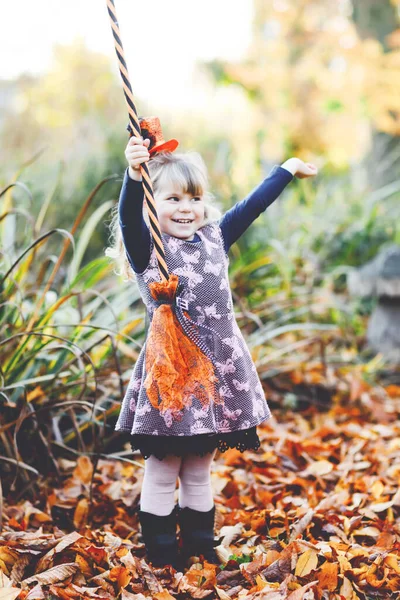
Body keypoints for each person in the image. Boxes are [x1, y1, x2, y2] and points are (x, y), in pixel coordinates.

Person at [106, 117, 318, 571]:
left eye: (195, 198)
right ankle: (162, 556)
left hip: (217, 373)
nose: (187, 208)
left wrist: (286, 169)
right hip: (173, 375)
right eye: (173, 199)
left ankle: (201, 548)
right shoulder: (149, 247)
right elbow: (127, 215)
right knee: (164, 470)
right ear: (151, 204)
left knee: (200, 468)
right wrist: (132, 173)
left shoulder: (214, 239)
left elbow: (251, 206)